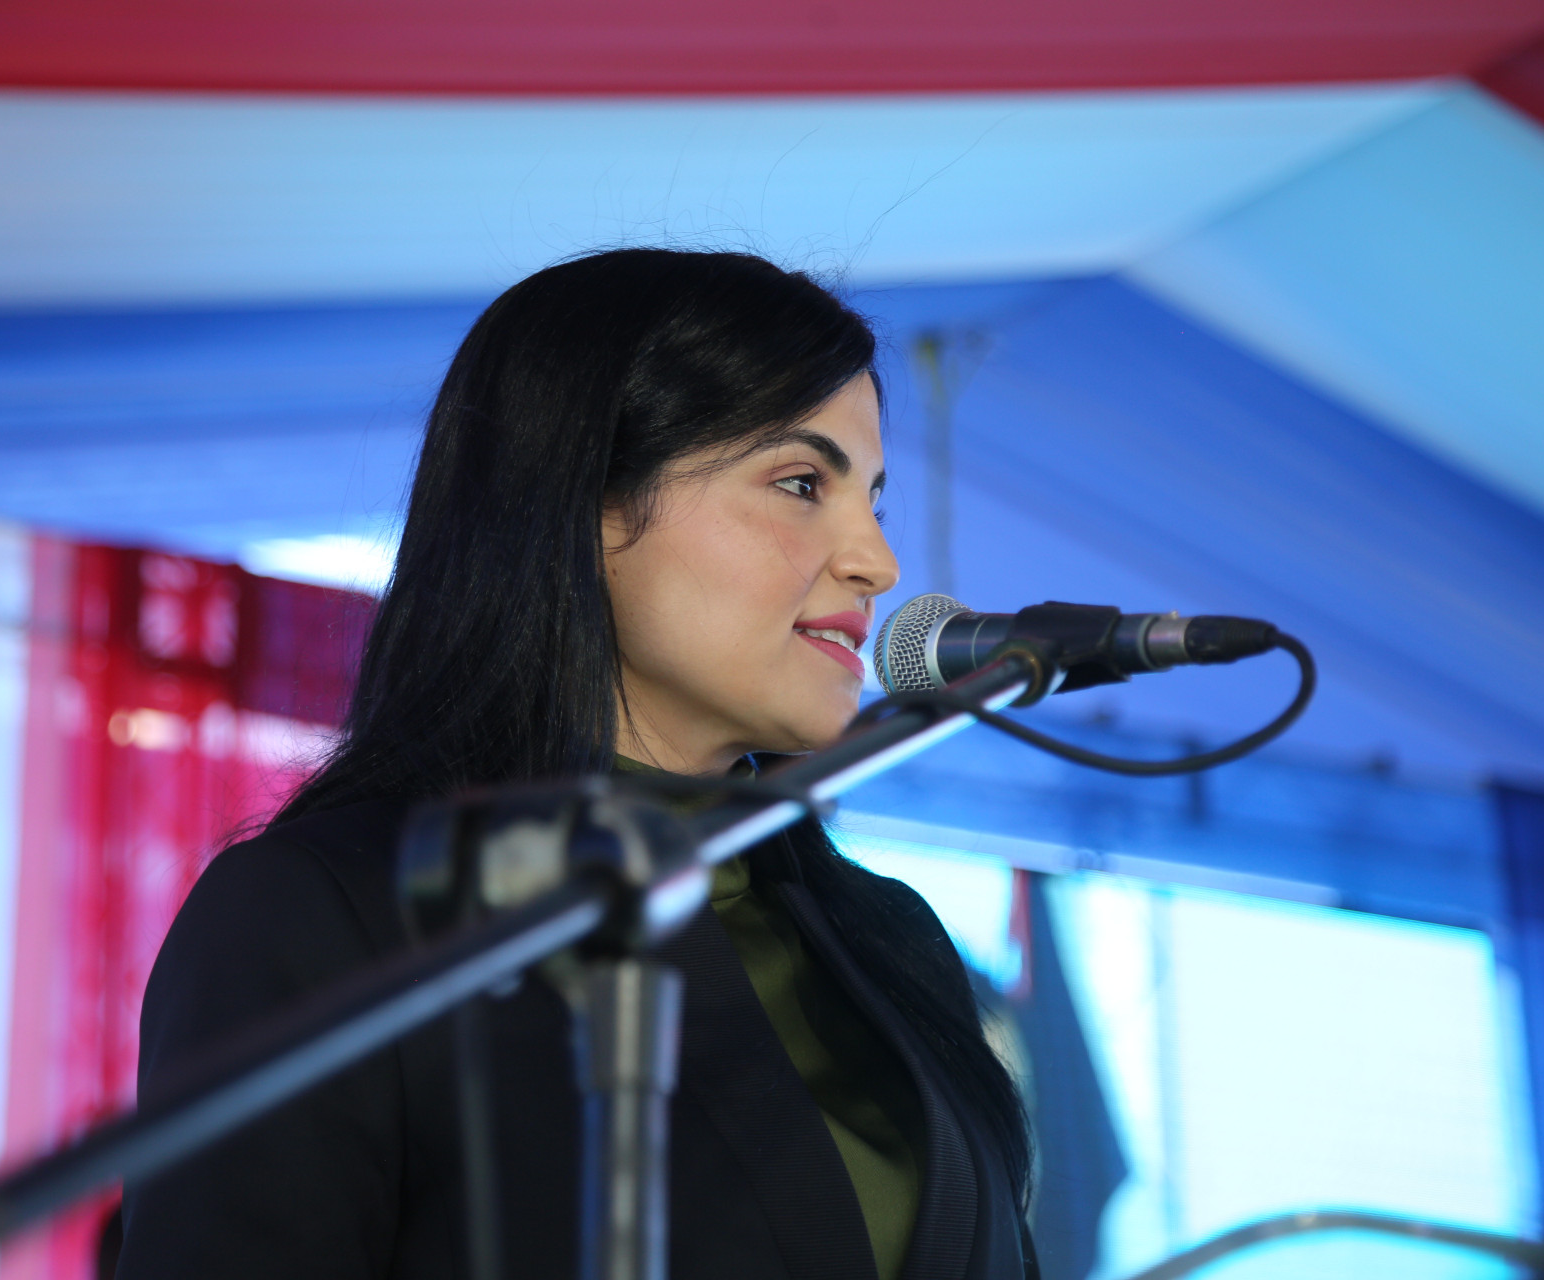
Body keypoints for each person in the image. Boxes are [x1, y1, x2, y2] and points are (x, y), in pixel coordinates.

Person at [116, 249, 1036, 1280]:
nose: (877, 562)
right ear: (585, 501)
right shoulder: (328, 917)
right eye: (799, 484)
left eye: (873, 500)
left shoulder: (890, 938)